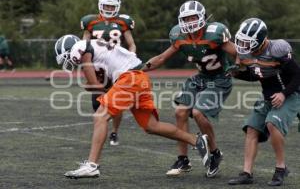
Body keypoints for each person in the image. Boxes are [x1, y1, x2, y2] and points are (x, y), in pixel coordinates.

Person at [54, 34, 210, 179]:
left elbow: (95, 84)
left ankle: (92, 165)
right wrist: (97, 86)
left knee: (100, 116)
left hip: (129, 77)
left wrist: (91, 87)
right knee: (151, 126)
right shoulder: (95, 48)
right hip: (138, 77)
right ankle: (196, 140)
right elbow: (105, 83)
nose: (69, 61)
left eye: (66, 57)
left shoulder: (80, 47)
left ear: (69, 50)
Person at [142, 0, 237, 177]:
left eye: (193, 17)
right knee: (180, 112)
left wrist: (241, 67)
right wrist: (138, 69)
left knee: (199, 112)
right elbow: (162, 58)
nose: (189, 22)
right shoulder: (179, 36)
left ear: (202, 17)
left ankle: (215, 153)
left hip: (219, 79)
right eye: (186, 18)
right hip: (200, 78)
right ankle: (183, 159)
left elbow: (238, 54)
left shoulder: (214, 33)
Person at [228, 18, 300, 186]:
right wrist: (237, 74)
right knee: (252, 129)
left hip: (290, 94)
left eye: (247, 42)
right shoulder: (248, 53)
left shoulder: (277, 48)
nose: (243, 46)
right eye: (242, 41)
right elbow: (257, 75)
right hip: (267, 96)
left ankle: (281, 168)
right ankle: (246, 173)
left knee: (272, 124)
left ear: (259, 40)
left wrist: (283, 94)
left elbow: (297, 75)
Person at [80, 0, 136, 145]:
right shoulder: (90, 22)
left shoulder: (123, 22)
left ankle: (114, 132)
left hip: (117, 66)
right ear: (100, 5)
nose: (109, 9)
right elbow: (83, 44)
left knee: (116, 102)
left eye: (112, 7)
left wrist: (130, 58)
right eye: (106, 6)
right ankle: (101, 127)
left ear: (117, 7)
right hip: (98, 68)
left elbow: (131, 44)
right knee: (97, 101)